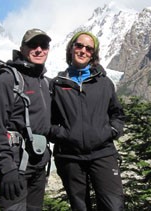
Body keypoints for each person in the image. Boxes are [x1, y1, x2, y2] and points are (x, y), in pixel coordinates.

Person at [49, 31, 125, 211]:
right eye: (79, 45)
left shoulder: (104, 83)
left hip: (103, 153)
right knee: (80, 207)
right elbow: (48, 120)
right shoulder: (57, 84)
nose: (83, 50)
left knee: (114, 206)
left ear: (93, 54)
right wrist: (62, 135)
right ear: (71, 48)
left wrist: (111, 131)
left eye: (88, 48)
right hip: (69, 156)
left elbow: (117, 114)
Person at [0, 28, 52, 211]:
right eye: (33, 45)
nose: (39, 49)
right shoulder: (6, 80)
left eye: (43, 45)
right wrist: (7, 168)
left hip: (39, 165)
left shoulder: (44, 83)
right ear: (22, 48)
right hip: (15, 165)